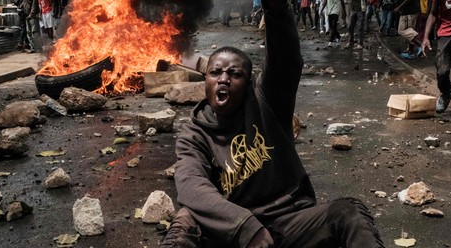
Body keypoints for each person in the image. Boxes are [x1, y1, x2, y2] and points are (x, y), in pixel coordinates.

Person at [160, 0, 384, 247]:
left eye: (235, 74)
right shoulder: (194, 133)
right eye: (215, 73)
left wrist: (276, 10)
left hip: (289, 223)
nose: (223, 79)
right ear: (206, 81)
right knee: (185, 220)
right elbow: (191, 185)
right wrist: (245, 227)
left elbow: (285, 60)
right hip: (236, 232)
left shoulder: (266, 100)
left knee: (347, 212)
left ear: (248, 84)